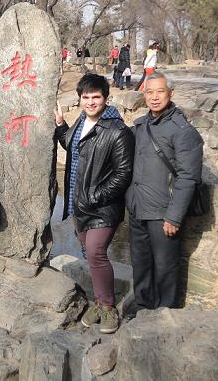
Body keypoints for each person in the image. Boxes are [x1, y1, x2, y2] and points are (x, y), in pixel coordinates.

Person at [55, 73, 134, 334]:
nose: (90, 102)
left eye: (96, 97)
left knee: (97, 253)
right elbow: (74, 147)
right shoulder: (81, 122)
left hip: (101, 206)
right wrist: (60, 127)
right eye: (85, 97)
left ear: (105, 98)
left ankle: (108, 308)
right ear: (80, 99)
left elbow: (123, 173)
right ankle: (99, 303)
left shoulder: (117, 130)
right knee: (89, 254)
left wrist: (95, 196)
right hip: (79, 204)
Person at [126, 72, 203, 313]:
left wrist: (174, 216)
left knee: (165, 267)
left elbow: (188, 176)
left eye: (160, 91)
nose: (155, 97)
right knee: (140, 263)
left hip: (163, 212)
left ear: (171, 93)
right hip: (138, 208)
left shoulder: (181, 130)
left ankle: (163, 313)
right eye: (150, 92)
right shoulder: (141, 125)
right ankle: (142, 306)